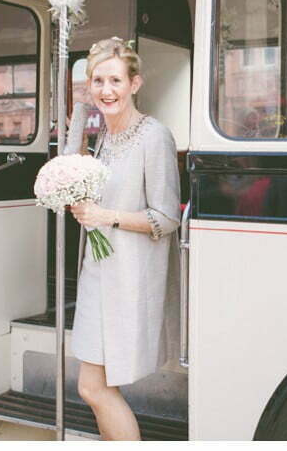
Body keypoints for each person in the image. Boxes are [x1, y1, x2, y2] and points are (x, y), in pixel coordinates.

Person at [64, 37, 181, 440]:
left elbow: (167, 219)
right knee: (94, 387)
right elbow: (66, 163)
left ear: (135, 83)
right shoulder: (104, 139)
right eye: (97, 81)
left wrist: (105, 216)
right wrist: (81, 107)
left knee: (92, 387)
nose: (106, 90)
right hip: (97, 273)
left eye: (115, 80)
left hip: (127, 278)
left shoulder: (154, 136)